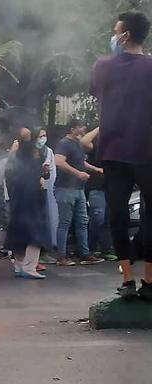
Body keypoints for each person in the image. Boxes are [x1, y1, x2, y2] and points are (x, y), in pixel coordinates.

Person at [91, 11, 152, 298]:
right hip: (147, 151)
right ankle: (150, 282)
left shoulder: (103, 66)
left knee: (117, 214)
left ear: (124, 35)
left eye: (116, 31)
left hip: (114, 151)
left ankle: (127, 280)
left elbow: (97, 92)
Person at [54, 118, 104, 266]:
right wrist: (78, 174)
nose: (83, 129)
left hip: (78, 189)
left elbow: (80, 162)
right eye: (81, 127)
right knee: (65, 223)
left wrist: (95, 169)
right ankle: (61, 257)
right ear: (72, 129)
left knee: (82, 222)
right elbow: (59, 161)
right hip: (65, 189)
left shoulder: (77, 144)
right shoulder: (64, 143)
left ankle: (84, 253)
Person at [5, 128, 51, 279]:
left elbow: (39, 174)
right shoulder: (22, 154)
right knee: (34, 232)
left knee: (20, 231)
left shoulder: (34, 156)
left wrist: (43, 173)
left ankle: (20, 266)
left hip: (24, 197)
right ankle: (29, 267)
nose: (40, 139)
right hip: (28, 198)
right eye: (38, 136)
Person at [81, 128, 117, 262]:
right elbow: (84, 142)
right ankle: (89, 248)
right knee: (98, 217)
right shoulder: (96, 144)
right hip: (96, 186)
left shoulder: (117, 148)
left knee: (108, 220)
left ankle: (105, 250)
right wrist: (102, 125)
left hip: (111, 187)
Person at [36, 129, 59, 265]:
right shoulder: (31, 151)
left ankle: (46, 250)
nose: (43, 138)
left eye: (44, 135)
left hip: (47, 190)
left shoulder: (48, 151)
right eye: (40, 136)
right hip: (35, 190)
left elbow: (51, 171)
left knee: (48, 220)